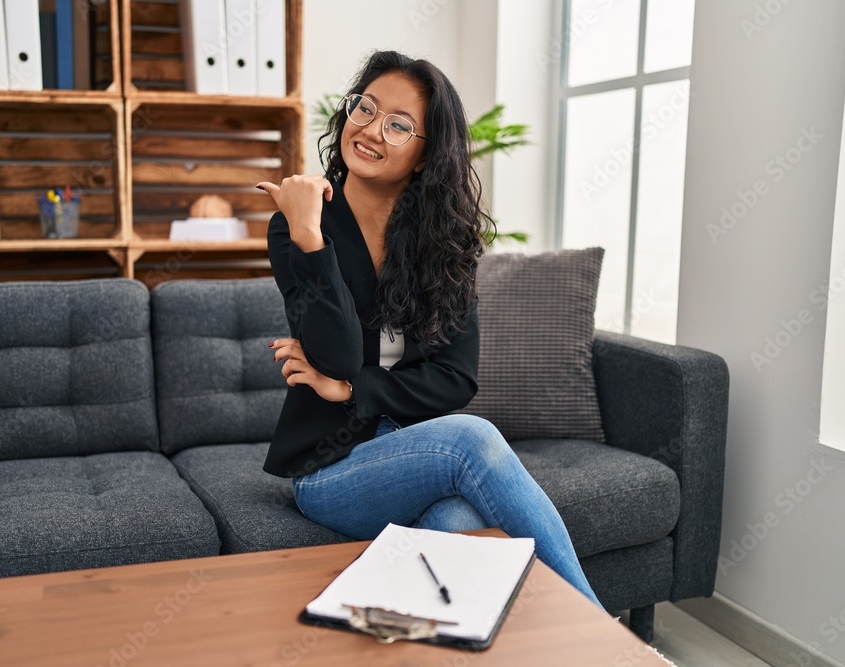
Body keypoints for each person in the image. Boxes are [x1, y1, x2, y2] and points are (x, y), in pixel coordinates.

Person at [256, 50, 601, 607]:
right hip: (331, 469)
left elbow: (455, 377)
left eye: (398, 124)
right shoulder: (298, 228)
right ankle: (600, 631)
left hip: (412, 454)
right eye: (364, 108)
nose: (370, 130)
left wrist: (348, 389)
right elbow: (338, 351)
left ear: (424, 155)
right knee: (472, 438)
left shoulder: (443, 241)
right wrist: (309, 236)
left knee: (459, 523)